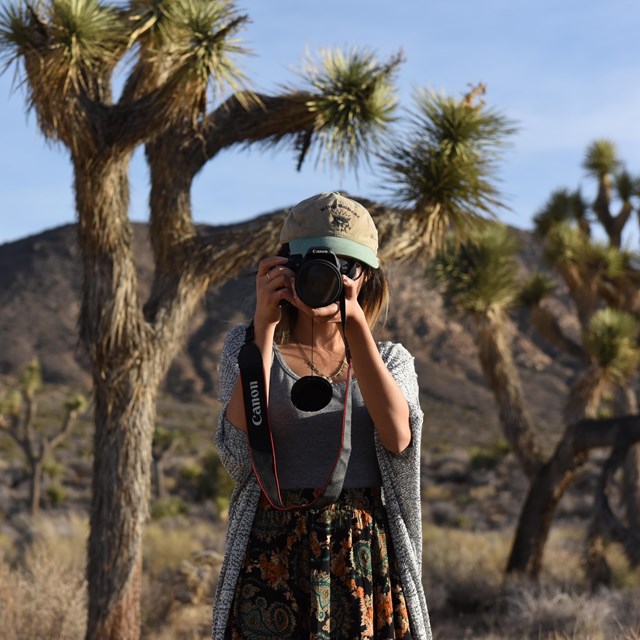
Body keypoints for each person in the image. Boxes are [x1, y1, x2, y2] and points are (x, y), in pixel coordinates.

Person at [211, 192, 431, 639]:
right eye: (308, 265)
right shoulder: (247, 347)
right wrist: (264, 328)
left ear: (366, 275)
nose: (327, 277)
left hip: (363, 555)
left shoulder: (390, 360)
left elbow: (398, 439)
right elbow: (236, 455)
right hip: (270, 551)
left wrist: (356, 329)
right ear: (282, 268)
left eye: (345, 267)